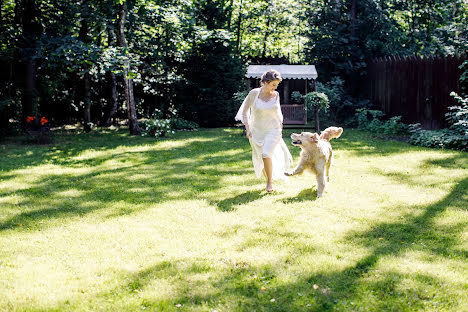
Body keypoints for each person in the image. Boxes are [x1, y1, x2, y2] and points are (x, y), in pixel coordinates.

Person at [235, 69, 292, 192]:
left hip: (273, 130)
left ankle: (269, 183)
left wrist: (280, 124)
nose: (275, 88)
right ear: (265, 82)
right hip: (256, 131)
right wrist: (247, 128)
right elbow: (245, 111)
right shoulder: (253, 94)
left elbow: (277, 112)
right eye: (273, 85)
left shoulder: (276, 95)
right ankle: (268, 180)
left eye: (276, 85)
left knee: (266, 154)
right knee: (261, 157)